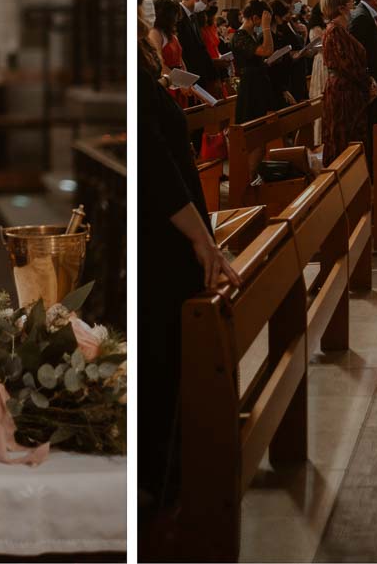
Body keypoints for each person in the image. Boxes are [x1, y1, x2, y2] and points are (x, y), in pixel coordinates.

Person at [137, 27, 239, 527]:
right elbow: (154, 167)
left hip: (167, 238)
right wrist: (203, 239)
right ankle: (157, 490)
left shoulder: (136, 68)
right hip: (159, 244)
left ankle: (164, 480)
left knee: (168, 361)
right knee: (160, 358)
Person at [320, 0, 373, 166]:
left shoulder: (341, 29)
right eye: (352, 4)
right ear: (342, 8)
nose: (354, 8)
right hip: (343, 92)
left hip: (349, 89)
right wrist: (368, 83)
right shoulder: (334, 31)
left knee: (352, 136)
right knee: (343, 137)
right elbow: (348, 64)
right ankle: (342, 178)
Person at [231, 0, 280, 123]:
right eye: (263, 20)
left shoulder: (250, 34)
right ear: (255, 18)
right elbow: (266, 50)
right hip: (249, 86)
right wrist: (266, 28)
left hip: (258, 82)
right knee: (250, 122)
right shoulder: (240, 36)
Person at [175, 0, 221, 91]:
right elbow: (182, 51)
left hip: (199, 75)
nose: (206, 3)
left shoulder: (194, 17)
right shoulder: (178, 16)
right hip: (187, 76)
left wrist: (214, 76)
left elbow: (201, 48)